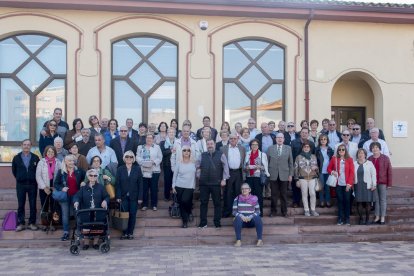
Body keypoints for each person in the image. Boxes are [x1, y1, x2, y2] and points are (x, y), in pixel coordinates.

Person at [73, 168, 109, 250]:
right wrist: (76, 202)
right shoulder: (83, 188)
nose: (93, 177)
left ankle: (96, 242)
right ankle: (86, 243)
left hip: (98, 211)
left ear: (97, 177)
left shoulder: (101, 187)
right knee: (86, 224)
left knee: (97, 225)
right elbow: (76, 196)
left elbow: (107, 196)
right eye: (91, 175)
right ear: (88, 177)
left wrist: (105, 201)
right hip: (86, 211)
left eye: (95, 175)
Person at [198, 139, 229, 228]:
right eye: (208, 144)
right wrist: (199, 175)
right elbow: (197, 166)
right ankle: (203, 223)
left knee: (217, 203)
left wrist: (224, 179)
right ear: (206, 145)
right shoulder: (202, 155)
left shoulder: (221, 154)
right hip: (204, 183)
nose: (210, 145)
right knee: (203, 203)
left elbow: (226, 167)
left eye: (211, 144)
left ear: (215, 144)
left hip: (216, 183)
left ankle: (217, 223)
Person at [54, 154, 86, 241]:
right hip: (65, 196)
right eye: (69, 161)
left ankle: (80, 232)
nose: (72, 162)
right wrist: (62, 188)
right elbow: (56, 184)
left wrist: (83, 182)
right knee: (65, 214)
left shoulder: (79, 171)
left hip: (76, 195)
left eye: (73, 160)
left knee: (77, 213)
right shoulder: (61, 171)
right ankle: (66, 232)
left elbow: (86, 177)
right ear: (65, 162)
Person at [12, 139, 40, 232]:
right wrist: (21, 177)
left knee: (33, 204)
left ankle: (32, 223)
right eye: (24, 144)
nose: (26, 146)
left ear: (31, 146)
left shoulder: (36, 157)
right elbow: (14, 171)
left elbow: (38, 171)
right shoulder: (16, 158)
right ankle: (21, 223)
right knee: (21, 204)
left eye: (28, 144)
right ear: (21, 145)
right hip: (21, 184)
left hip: (32, 184)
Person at [116, 151, 143, 240]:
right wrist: (118, 196)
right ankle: (124, 233)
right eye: (127, 157)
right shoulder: (120, 169)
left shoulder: (137, 169)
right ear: (124, 158)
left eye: (131, 157)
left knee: (132, 214)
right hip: (123, 197)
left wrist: (140, 197)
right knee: (124, 215)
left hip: (134, 197)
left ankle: (130, 233)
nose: (129, 158)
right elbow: (118, 184)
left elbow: (140, 184)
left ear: (133, 158)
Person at [36, 145, 62, 231]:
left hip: (54, 188)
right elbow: (38, 176)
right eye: (49, 152)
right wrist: (44, 187)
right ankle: (45, 224)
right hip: (44, 188)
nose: (50, 153)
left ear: (55, 153)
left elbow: (60, 175)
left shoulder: (58, 162)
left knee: (54, 206)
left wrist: (56, 187)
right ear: (46, 153)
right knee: (45, 206)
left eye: (52, 152)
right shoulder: (41, 162)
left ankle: (53, 224)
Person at [328, 145, 355, 226]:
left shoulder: (349, 159)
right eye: (339, 149)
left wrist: (349, 184)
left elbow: (351, 172)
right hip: (338, 184)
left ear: (345, 150)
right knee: (340, 201)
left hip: (347, 184)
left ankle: (347, 218)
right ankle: (340, 218)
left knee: (347, 201)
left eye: (343, 149)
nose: (341, 151)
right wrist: (333, 172)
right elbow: (328, 169)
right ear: (338, 151)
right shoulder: (334, 159)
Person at [267, 133, 293, 217]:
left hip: (284, 174)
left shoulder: (288, 148)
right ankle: (273, 211)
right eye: (278, 137)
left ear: (284, 139)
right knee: (274, 194)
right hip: (273, 174)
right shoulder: (270, 148)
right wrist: (267, 174)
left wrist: (290, 175)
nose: (279, 139)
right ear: (275, 139)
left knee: (284, 194)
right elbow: (267, 162)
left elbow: (290, 163)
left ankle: (284, 212)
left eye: (281, 137)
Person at [222, 133, 247, 218]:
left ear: (237, 139)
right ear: (229, 139)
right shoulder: (223, 149)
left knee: (238, 192)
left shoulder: (242, 148)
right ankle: (227, 211)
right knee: (227, 193)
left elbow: (244, 161)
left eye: (235, 139)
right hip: (228, 173)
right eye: (231, 138)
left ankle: (238, 211)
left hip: (238, 173)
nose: (233, 140)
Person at [172, 145, 197, 228]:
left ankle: (189, 211)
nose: (186, 152)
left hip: (190, 186)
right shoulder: (179, 163)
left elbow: (197, 174)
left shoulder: (194, 163)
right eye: (184, 150)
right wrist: (173, 186)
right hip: (179, 186)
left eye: (188, 150)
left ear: (190, 152)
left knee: (185, 201)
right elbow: (175, 175)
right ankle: (185, 221)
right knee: (182, 203)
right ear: (182, 152)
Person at [136, 133, 162, 211]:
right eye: (147, 138)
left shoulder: (157, 147)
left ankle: (154, 205)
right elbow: (137, 156)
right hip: (144, 171)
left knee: (154, 188)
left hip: (154, 170)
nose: (149, 139)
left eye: (151, 138)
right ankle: (145, 205)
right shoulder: (140, 147)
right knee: (144, 188)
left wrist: (153, 162)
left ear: (153, 139)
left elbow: (160, 157)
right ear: (145, 139)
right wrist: (144, 163)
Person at [368, 142, 392, 225]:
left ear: (379, 148)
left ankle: (382, 217)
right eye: (373, 147)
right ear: (371, 149)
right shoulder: (369, 158)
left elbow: (389, 171)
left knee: (383, 200)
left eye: (376, 147)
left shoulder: (385, 158)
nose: (375, 149)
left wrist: (389, 183)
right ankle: (377, 216)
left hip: (382, 182)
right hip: (373, 183)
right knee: (376, 200)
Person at [290, 128, 315, 208]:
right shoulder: (294, 142)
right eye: (303, 132)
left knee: (307, 187)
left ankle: (306, 203)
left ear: (308, 134)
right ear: (300, 133)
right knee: (296, 185)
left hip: (308, 169)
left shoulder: (311, 143)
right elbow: (291, 155)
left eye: (306, 133)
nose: (304, 134)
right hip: (296, 167)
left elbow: (313, 155)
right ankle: (296, 202)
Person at [232, 183, 263, 247]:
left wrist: (251, 216)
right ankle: (238, 240)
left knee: (258, 218)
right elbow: (234, 212)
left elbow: (258, 211)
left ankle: (260, 240)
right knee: (237, 218)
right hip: (241, 221)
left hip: (251, 221)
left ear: (249, 190)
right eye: (242, 189)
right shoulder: (237, 199)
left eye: (246, 188)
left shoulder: (254, 199)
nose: (244, 190)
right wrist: (242, 216)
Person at [244, 139, 269, 216]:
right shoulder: (247, 154)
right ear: (250, 146)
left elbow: (265, 167)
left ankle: (259, 212)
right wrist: (246, 167)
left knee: (258, 195)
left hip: (258, 178)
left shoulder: (262, 155)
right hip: (249, 177)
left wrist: (259, 167)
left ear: (258, 146)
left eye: (256, 145)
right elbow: (244, 166)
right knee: (249, 195)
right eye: (253, 144)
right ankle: (250, 211)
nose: (254, 146)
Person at [294, 142, 319, 217]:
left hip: (312, 178)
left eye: (308, 147)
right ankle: (306, 210)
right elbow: (295, 169)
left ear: (310, 148)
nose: (306, 148)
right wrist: (296, 179)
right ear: (302, 148)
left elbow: (317, 167)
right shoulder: (298, 157)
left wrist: (316, 168)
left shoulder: (313, 156)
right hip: (302, 178)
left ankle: (313, 210)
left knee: (312, 193)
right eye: (305, 147)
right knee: (304, 194)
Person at [354, 148, 377, 225]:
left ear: (365, 155)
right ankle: (361, 219)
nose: (360, 154)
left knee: (367, 203)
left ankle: (367, 219)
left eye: (362, 153)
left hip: (367, 185)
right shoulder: (354, 163)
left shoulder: (369, 163)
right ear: (357, 155)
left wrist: (374, 184)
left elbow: (373, 174)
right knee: (359, 203)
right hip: (357, 185)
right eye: (359, 153)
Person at [315, 134, 334, 208]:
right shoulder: (317, 149)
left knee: (327, 187)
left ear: (327, 140)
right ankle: (322, 201)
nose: (323, 141)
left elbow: (332, 160)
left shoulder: (330, 149)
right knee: (321, 186)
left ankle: (328, 201)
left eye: (324, 139)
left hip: (328, 171)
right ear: (319, 141)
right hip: (320, 171)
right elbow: (315, 159)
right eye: (321, 139)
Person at [160, 128, 176, 201]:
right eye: (170, 132)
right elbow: (162, 153)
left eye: (173, 132)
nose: (171, 133)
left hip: (176, 164)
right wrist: (170, 150)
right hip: (167, 165)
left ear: (175, 133)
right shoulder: (163, 143)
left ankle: (175, 196)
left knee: (175, 181)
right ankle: (167, 196)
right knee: (167, 181)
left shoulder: (178, 142)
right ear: (167, 133)